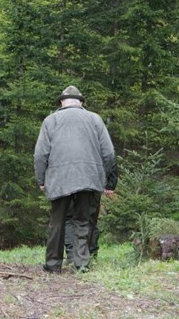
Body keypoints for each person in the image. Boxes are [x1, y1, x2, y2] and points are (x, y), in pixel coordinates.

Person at [34, 85, 116, 273]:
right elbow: (109, 153)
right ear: (81, 102)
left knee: (57, 222)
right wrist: (107, 179)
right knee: (83, 220)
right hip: (89, 179)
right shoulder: (95, 119)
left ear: (62, 102)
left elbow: (40, 155)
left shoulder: (51, 120)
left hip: (59, 179)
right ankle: (81, 264)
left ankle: (53, 264)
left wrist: (41, 179)